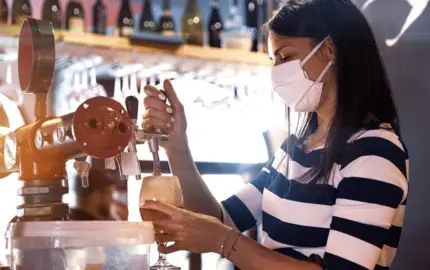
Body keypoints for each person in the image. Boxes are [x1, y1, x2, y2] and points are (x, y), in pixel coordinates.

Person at [140, 0, 409, 269]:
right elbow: (219, 219)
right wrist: (177, 146)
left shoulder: (375, 151)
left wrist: (224, 241)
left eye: (286, 56)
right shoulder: (294, 150)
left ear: (329, 49)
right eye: (274, 60)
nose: (277, 71)